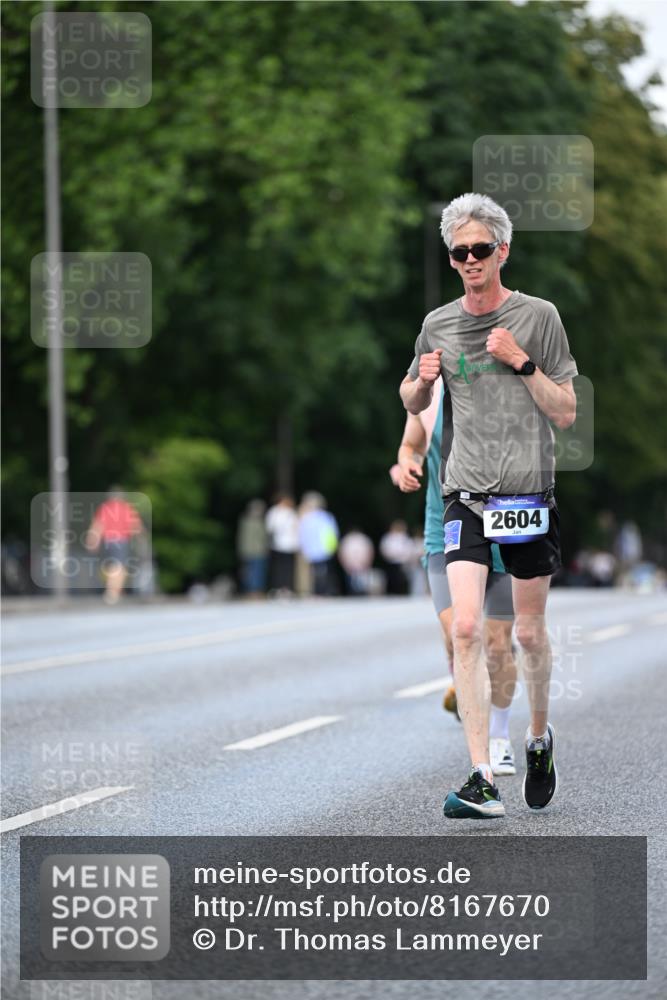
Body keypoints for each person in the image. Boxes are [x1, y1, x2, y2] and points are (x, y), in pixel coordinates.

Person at [400, 192, 577, 818]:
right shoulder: (439, 322)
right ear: (451, 259)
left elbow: (564, 410)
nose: (470, 260)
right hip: (464, 496)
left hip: (527, 495)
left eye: (480, 249)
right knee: (468, 628)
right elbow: (411, 401)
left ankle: (537, 738)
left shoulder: (539, 317)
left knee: (527, 633)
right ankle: (481, 777)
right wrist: (420, 380)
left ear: (502, 250)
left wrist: (521, 361)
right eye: (459, 252)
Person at [391, 377, 518, 776]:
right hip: (443, 530)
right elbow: (409, 445)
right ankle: (466, 684)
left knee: (497, 643)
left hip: (502, 528)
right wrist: (406, 465)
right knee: (460, 633)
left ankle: (499, 737)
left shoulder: (507, 388)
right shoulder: (430, 396)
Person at [85, 487, 144, 604]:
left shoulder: (105, 507)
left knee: (112, 566)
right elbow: (135, 526)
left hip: (108, 541)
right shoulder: (126, 508)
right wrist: (140, 540)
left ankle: (115, 589)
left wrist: (92, 540)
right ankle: (112, 592)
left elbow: (98, 525)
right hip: (121, 540)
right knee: (119, 567)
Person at [298, 492, 340, 596]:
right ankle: (324, 590)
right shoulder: (325, 516)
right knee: (324, 571)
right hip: (324, 549)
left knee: (317, 572)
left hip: (316, 549)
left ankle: (320, 591)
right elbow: (334, 532)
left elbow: (303, 535)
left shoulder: (307, 518)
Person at [265, 493, 300, 597]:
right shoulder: (274, 512)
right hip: (277, 545)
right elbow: (270, 528)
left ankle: (287, 588)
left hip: (290, 545)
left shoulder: (291, 513)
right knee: (278, 568)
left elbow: (296, 528)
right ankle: (277, 587)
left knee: (288, 568)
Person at [236, 499, 269, 597]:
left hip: (254, 551)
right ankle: (253, 591)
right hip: (254, 551)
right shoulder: (252, 522)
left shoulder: (245, 521)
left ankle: (254, 590)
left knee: (255, 572)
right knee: (253, 572)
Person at [379, 520, 413, 595]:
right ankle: (390, 592)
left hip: (402, 562)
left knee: (401, 579)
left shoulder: (405, 538)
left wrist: (403, 557)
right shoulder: (388, 537)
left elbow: (409, 550)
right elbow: (384, 549)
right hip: (391, 562)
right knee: (391, 579)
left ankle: (402, 592)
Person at [338, 529, 374, 595]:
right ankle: (352, 592)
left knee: (362, 578)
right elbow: (342, 552)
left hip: (361, 562)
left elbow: (369, 551)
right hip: (350, 562)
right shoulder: (348, 539)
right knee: (350, 579)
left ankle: (362, 592)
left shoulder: (362, 539)